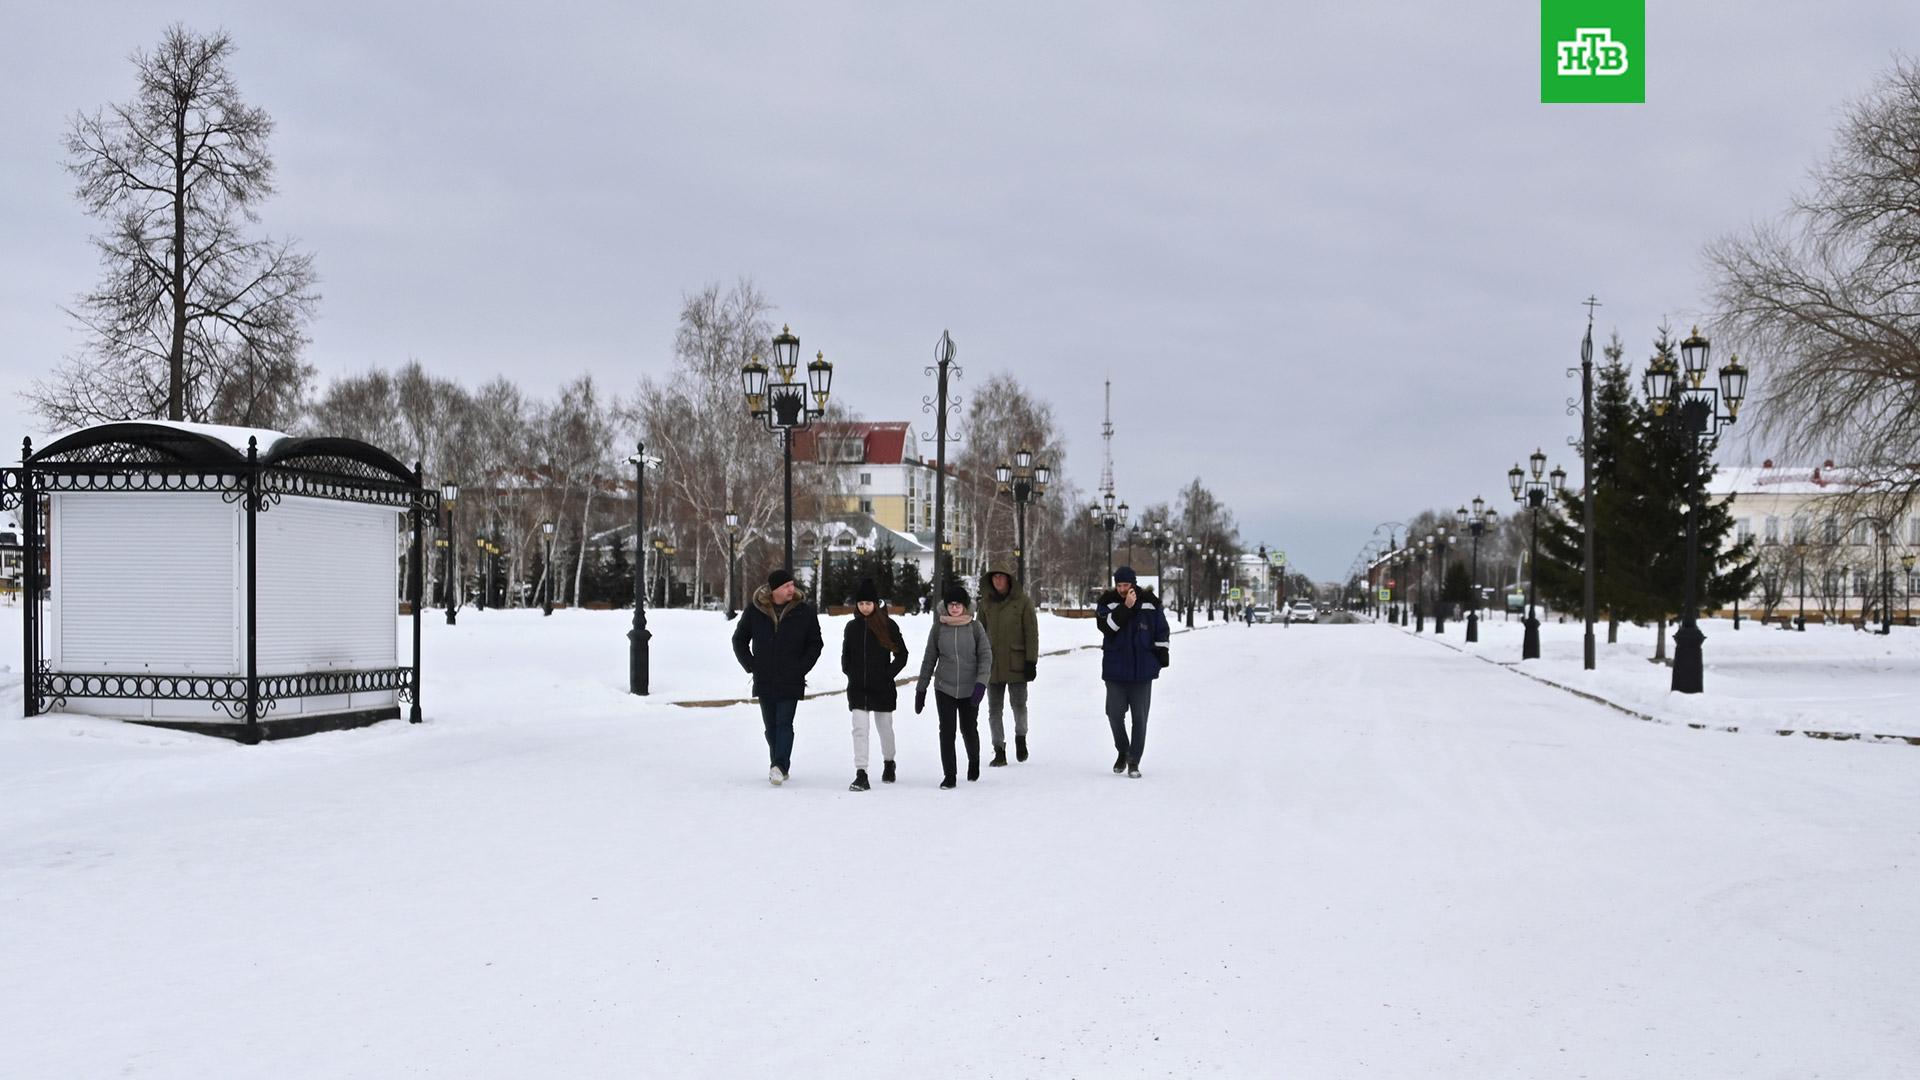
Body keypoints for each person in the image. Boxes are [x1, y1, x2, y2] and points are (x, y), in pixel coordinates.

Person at [731, 568, 823, 786]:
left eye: (792, 584)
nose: (792, 589)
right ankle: (777, 763)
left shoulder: (804, 611)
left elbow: (815, 643)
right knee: (770, 725)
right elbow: (739, 640)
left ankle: (780, 765)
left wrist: (801, 667)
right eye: (786, 586)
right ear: (774, 590)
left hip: (791, 677)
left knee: (784, 722)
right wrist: (752, 665)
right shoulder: (755, 610)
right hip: (764, 678)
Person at [914, 581, 992, 789]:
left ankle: (973, 760)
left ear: (965, 606)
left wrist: (981, 684)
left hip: (970, 688)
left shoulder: (975, 628)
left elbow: (985, 657)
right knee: (947, 731)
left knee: (968, 729)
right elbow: (929, 659)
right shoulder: (939, 628)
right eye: (951, 605)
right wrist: (921, 689)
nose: (954, 608)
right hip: (944, 687)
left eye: (958, 604)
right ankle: (950, 775)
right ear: (946, 606)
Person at [1096, 566, 1170, 779]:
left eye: (1125, 585)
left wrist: (1162, 651)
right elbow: (1107, 628)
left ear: (1133, 584)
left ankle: (1134, 760)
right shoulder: (1107, 602)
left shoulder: (1149, 601)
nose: (1121, 589)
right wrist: (1125, 608)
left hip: (1142, 670)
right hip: (1115, 669)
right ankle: (1122, 749)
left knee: (1140, 718)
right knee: (1114, 714)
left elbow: (1161, 628)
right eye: (1118, 585)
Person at [842, 578, 908, 791]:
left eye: (868, 604)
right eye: (861, 604)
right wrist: (849, 671)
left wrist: (887, 675)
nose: (864, 607)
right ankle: (861, 772)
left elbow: (902, 655)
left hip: (882, 688)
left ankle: (889, 762)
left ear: (876, 604)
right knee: (859, 729)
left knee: (885, 727)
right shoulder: (851, 627)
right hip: (858, 688)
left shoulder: (888, 625)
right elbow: (846, 655)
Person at [977, 559, 1039, 766]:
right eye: (994, 577)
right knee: (994, 709)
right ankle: (999, 749)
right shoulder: (985, 603)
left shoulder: (1023, 602)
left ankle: (1020, 738)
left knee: (1019, 705)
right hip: (992, 665)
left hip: (1017, 662)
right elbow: (979, 634)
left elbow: (1031, 633)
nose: (998, 581)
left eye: (1001, 577)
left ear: (1008, 580)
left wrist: (1031, 661)